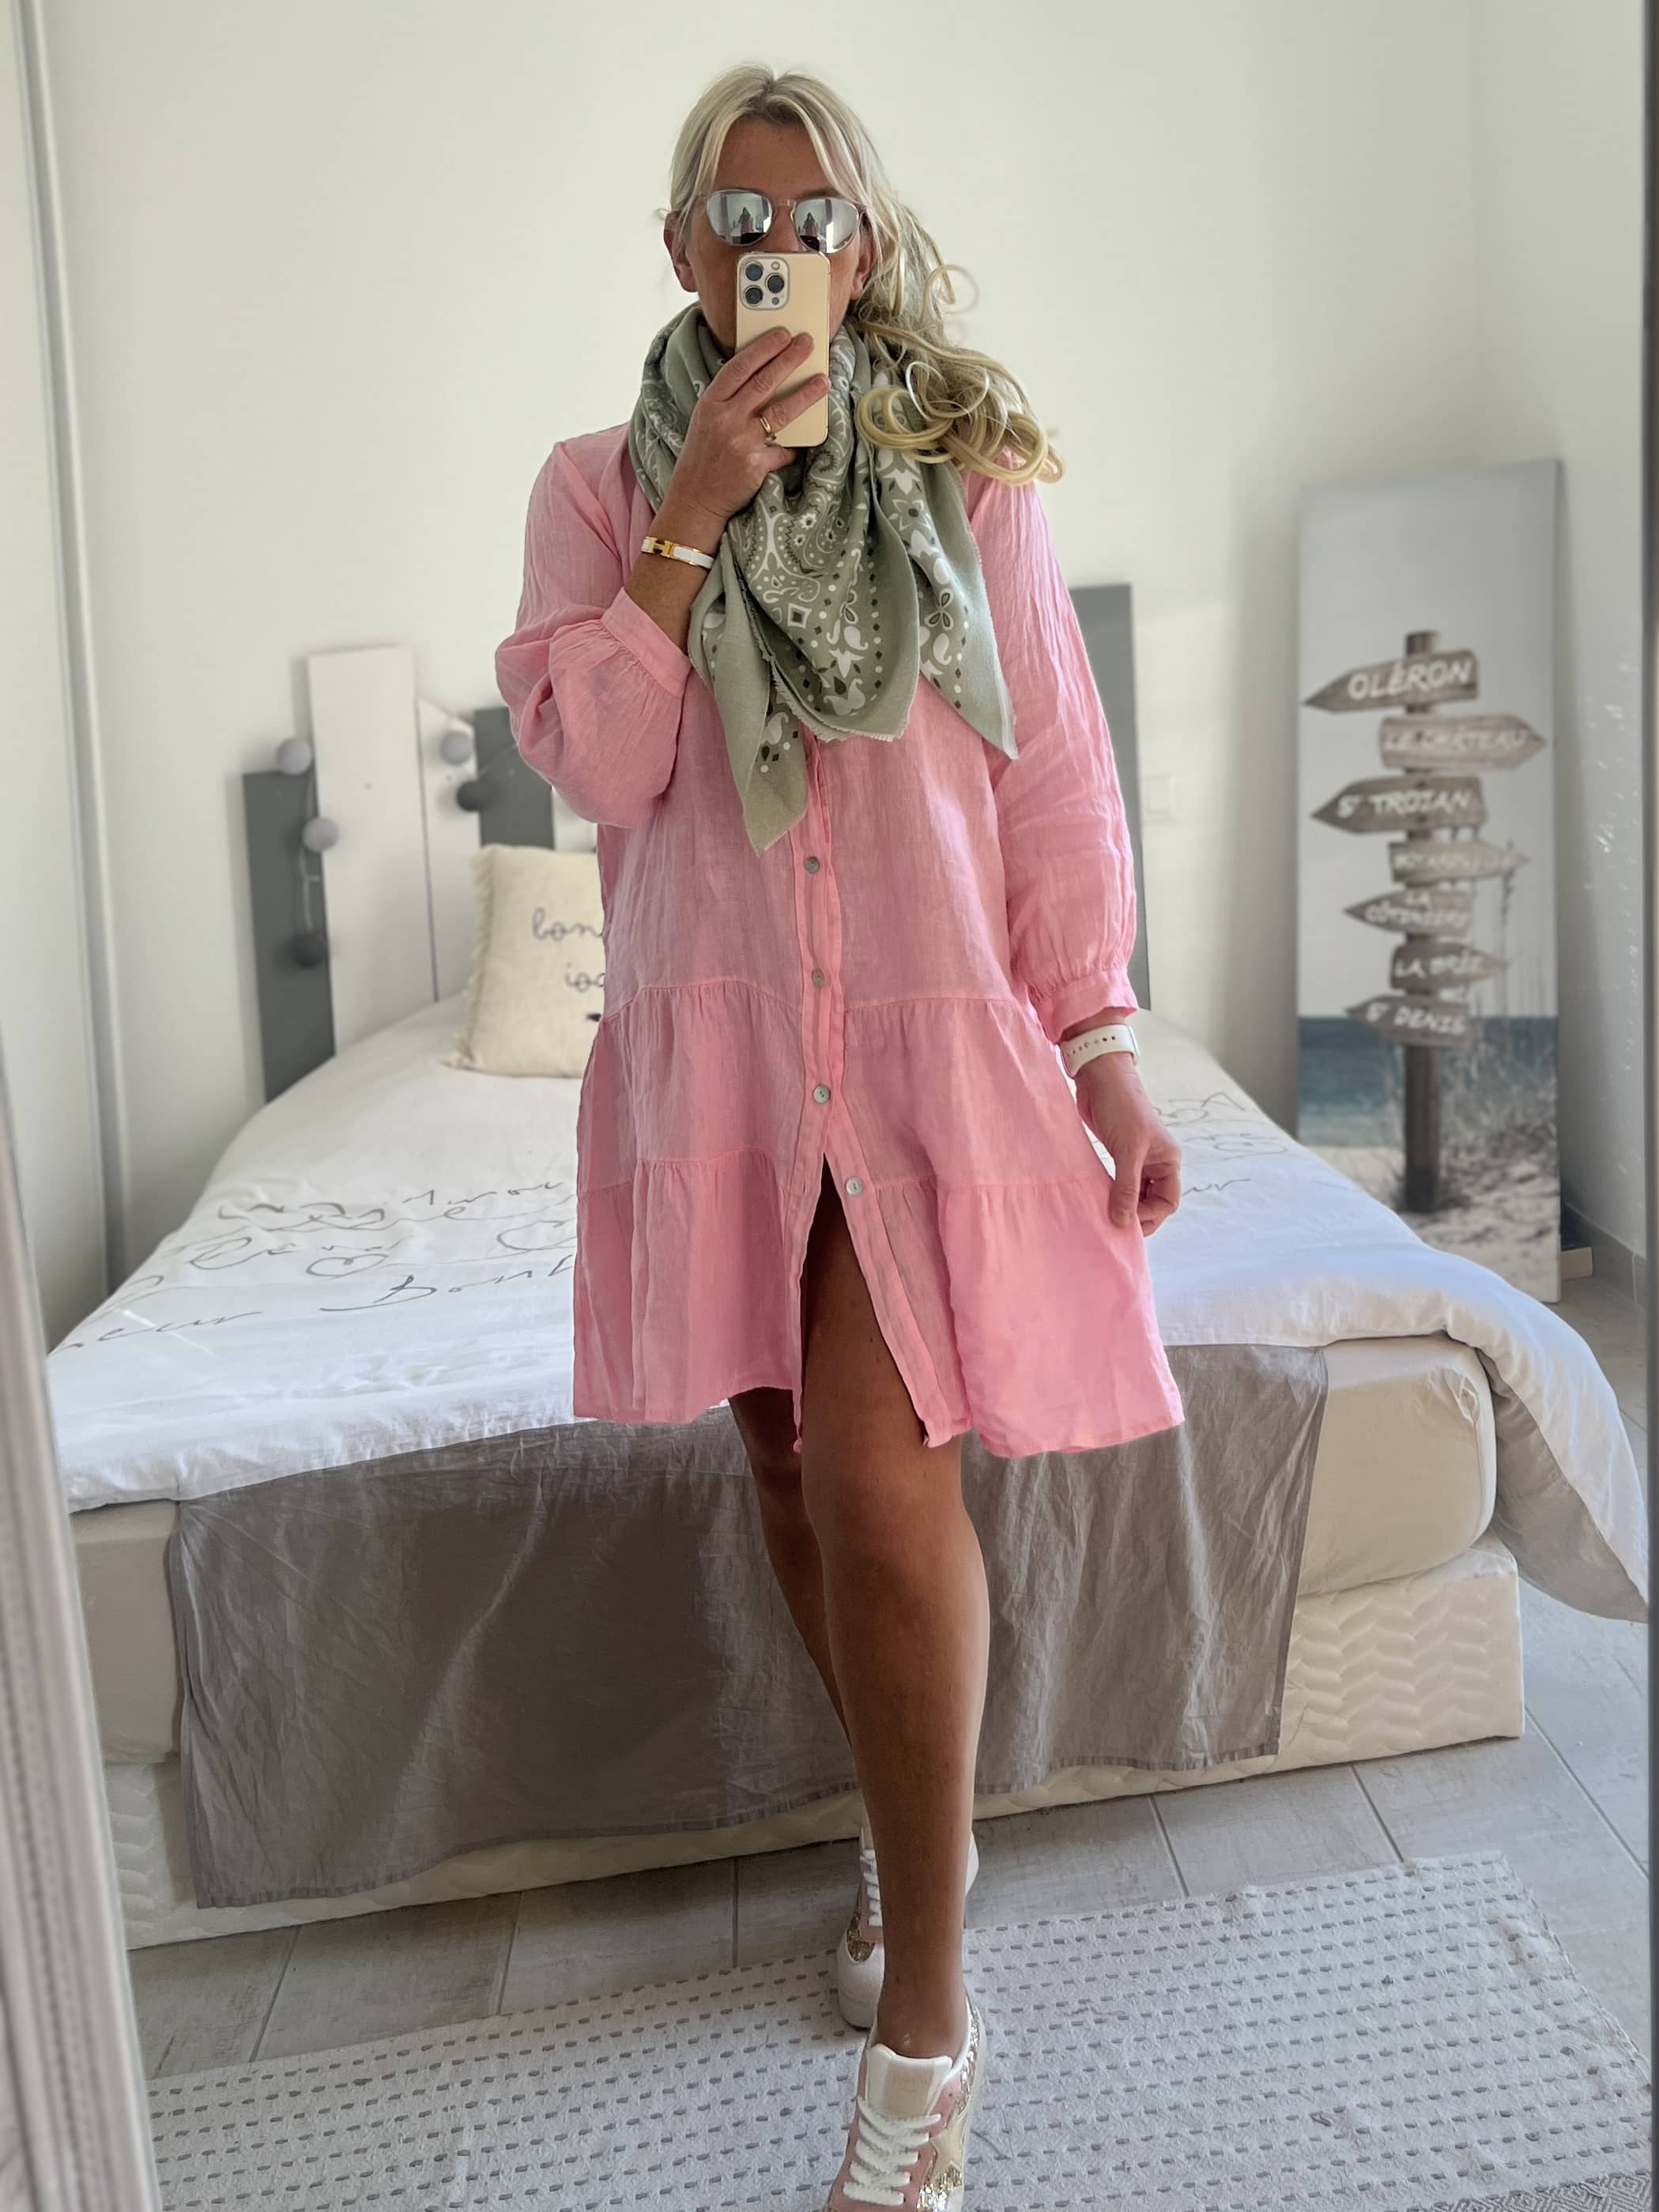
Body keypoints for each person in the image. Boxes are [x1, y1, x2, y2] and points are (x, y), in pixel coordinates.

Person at [495, 61, 1186, 2212]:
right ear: (682, 250)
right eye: (737, 216)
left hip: (913, 1055)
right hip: (718, 1072)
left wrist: (1101, 1044)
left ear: (859, 250)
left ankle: (928, 2031)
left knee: (882, 1487)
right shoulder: (597, 489)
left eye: (812, 218)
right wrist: (693, 508)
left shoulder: (971, 482)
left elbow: (1050, 779)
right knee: (789, 1470)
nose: (774, 248)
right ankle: (918, 1838)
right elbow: (595, 762)